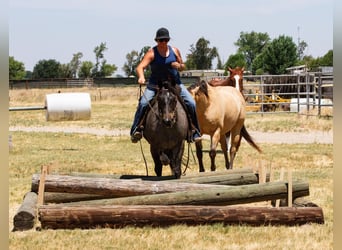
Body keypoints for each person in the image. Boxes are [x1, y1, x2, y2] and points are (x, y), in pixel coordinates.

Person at [130, 27, 202, 143]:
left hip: (175, 84)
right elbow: (140, 67)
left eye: (165, 40)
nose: (163, 42)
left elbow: (183, 66)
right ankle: (136, 130)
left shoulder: (175, 51)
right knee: (143, 103)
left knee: (191, 103)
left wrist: (179, 66)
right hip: (155, 85)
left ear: (168, 40)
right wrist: (141, 76)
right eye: (160, 40)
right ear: (156, 41)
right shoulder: (152, 53)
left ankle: (194, 132)